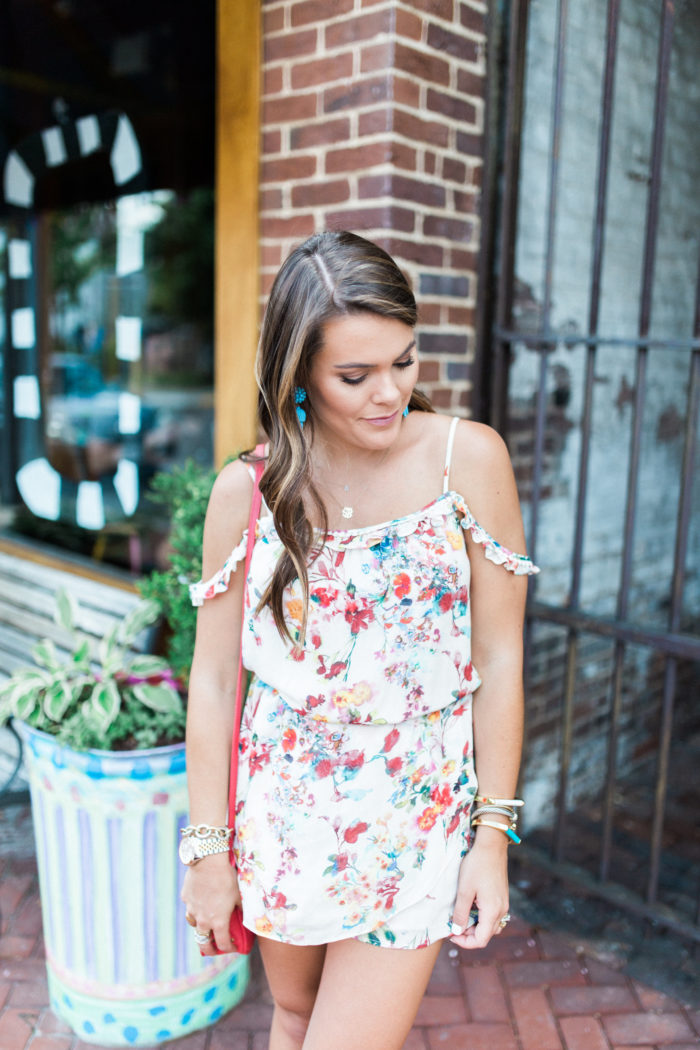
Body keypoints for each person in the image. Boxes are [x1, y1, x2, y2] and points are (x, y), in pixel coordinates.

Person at [180, 230, 538, 1050]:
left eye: (404, 363)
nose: (390, 393)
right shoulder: (247, 489)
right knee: (296, 1019)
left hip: (415, 814)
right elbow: (212, 682)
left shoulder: (468, 459)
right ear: (298, 371)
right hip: (279, 812)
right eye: (355, 375)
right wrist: (208, 850)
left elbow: (500, 660)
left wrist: (493, 838)